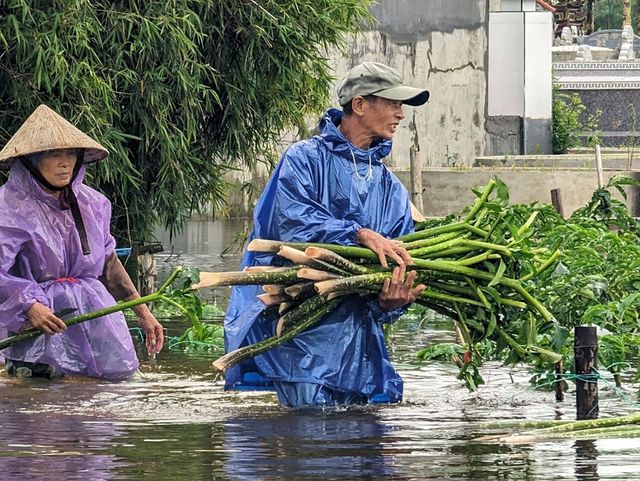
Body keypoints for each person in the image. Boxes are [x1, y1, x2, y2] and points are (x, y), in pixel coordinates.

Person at [222, 62, 429, 407]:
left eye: (402, 106)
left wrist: (391, 302)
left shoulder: (391, 188)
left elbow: (398, 263)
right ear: (360, 105)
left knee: (362, 445)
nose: (401, 114)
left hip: (361, 348)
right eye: (393, 103)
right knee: (308, 440)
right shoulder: (303, 159)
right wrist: (358, 234)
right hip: (301, 332)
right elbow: (288, 224)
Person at [0, 104, 164, 380]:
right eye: (53, 154)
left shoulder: (93, 203)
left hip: (94, 315)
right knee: (39, 410)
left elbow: (109, 263)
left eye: (70, 154)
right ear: (31, 161)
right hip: (41, 323)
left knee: (107, 400)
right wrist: (28, 305)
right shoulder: (7, 207)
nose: (65, 162)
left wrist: (142, 310)